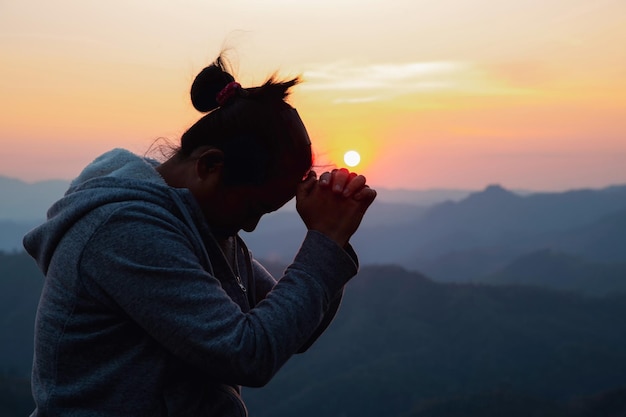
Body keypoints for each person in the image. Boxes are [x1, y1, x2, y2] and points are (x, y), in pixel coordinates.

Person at [23, 54, 376, 417]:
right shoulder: (125, 230)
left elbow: (294, 329)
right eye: (253, 207)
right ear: (209, 165)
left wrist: (331, 237)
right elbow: (246, 353)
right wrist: (325, 241)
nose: (250, 226)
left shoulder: (200, 221)